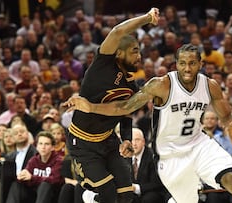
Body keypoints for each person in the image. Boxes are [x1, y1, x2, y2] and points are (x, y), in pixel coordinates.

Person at [64, 44, 232, 203]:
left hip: (200, 144)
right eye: (182, 63)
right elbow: (124, 107)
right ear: (176, 64)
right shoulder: (161, 85)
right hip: (170, 154)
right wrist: (91, 107)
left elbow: (226, 118)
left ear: (200, 64)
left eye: (192, 63)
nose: (187, 68)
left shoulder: (210, 86)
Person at [65, 8, 160, 203]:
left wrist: (126, 139)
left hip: (108, 141)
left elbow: (125, 114)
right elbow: (117, 31)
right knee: (108, 193)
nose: (139, 57)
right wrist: (148, 18)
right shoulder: (103, 65)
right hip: (83, 143)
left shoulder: (132, 86)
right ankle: (90, 197)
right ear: (119, 52)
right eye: (135, 51)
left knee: (126, 193)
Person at [6, 131, 64, 203]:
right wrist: (22, 176)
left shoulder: (58, 160)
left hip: (51, 195)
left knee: (45, 185)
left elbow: (55, 180)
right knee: (16, 185)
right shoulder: (34, 160)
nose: (43, 147)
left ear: (52, 147)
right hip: (34, 194)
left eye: (47, 144)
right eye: (40, 144)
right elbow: (27, 176)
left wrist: (32, 178)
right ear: (37, 146)